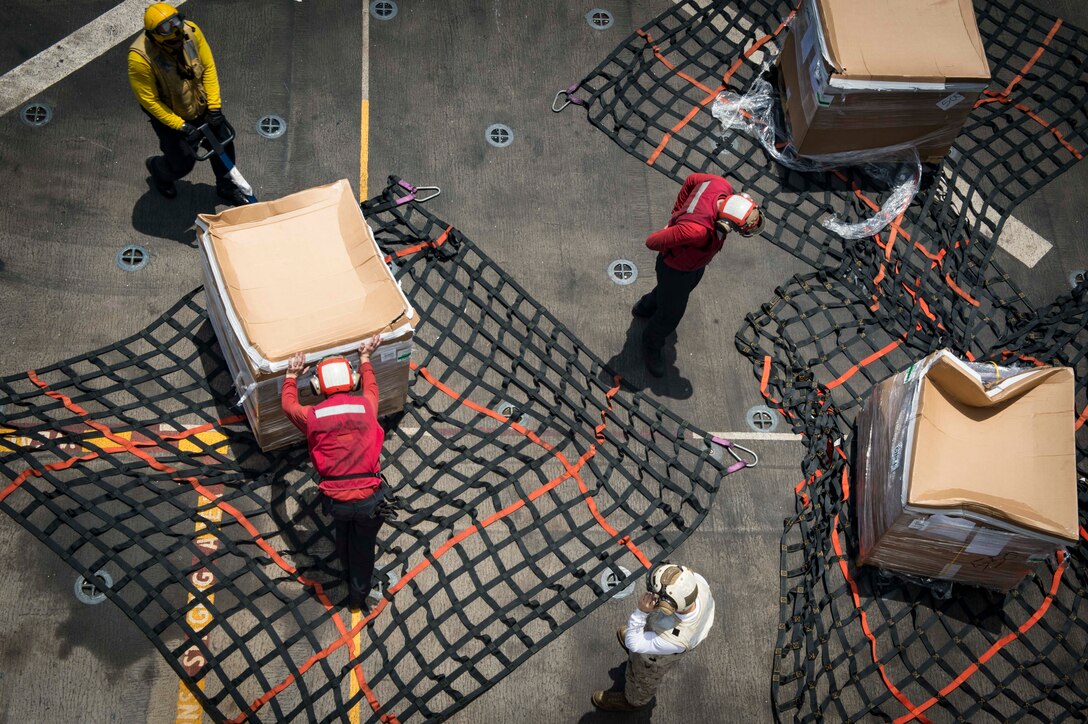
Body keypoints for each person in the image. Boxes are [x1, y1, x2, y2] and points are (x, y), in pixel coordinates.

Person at [281, 335, 391, 610]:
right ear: (351, 380)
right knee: (363, 548)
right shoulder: (367, 406)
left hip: (336, 502)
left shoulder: (314, 416)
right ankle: (358, 597)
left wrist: (291, 376)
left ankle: (344, 567)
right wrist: (365, 358)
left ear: (318, 387)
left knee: (342, 534)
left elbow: (288, 406)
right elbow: (372, 385)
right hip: (369, 501)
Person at [632, 173, 763, 377]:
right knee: (671, 314)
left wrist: (678, 212)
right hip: (676, 270)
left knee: (667, 295)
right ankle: (650, 344)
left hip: (693, 267)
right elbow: (652, 242)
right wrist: (677, 224)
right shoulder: (696, 231)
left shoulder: (721, 185)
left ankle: (646, 305)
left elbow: (692, 180)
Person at [127, 3, 250, 206]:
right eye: (168, 33)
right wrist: (181, 126)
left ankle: (226, 187)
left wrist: (214, 107)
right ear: (155, 36)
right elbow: (149, 101)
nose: (177, 37)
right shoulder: (140, 60)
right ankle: (159, 170)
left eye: (176, 24)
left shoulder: (190, 32)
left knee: (224, 145)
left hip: (199, 103)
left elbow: (208, 67)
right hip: (172, 115)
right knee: (182, 163)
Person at [592, 562, 716, 712]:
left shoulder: (674, 639)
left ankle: (632, 701)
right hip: (662, 635)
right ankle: (644, 640)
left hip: (653, 659)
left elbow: (634, 643)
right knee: (638, 640)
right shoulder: (697, 583)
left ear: (667, 607)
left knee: (642, 680)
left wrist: (642, 612)